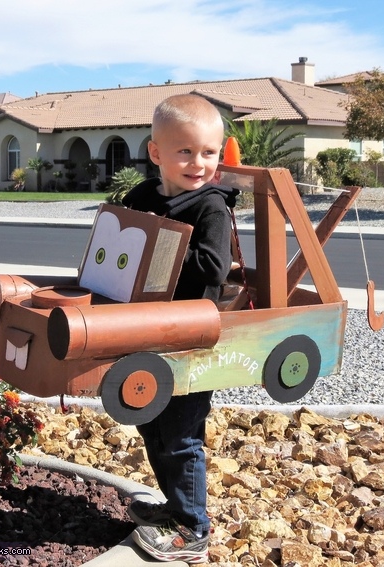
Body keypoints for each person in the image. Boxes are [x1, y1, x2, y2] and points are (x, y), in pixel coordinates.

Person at [122, 94, 238, 564]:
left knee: (182, 434)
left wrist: (159, 240)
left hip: (191, 337)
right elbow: (122, 239)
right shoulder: (143, 197)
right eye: (185, 152)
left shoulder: (211, 206)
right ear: (156, 154)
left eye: (208, 152)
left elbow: (214, 267)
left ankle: (194, 528)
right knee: (151, 422)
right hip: (145, 329)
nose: (198, 163)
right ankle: (173, 508)